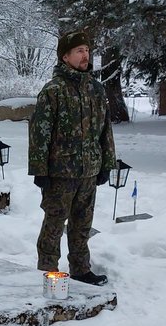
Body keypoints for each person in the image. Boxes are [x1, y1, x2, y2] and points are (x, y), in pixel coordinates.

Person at [28, 30, 117, 285]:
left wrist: (106, 164)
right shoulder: (53, 91)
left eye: (87, 50)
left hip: (89, 170)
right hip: (60, 172)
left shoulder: (96, 90)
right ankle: (46, 271)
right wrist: (40, 170)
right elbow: (40, 132)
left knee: (82, 224)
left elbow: (105, 129)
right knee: (54, 223)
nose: (85, 55)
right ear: (65, 57)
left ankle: (81, 269)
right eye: (79, 51)